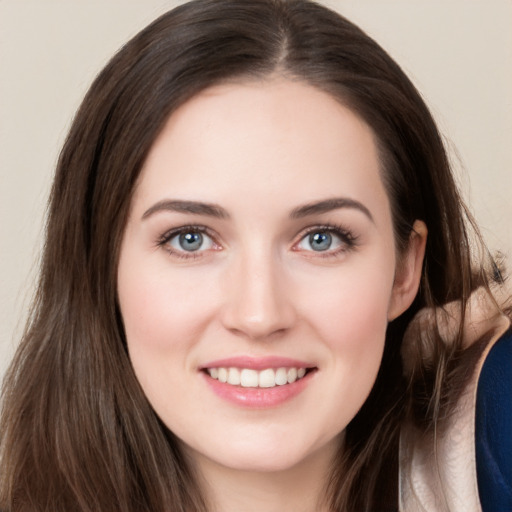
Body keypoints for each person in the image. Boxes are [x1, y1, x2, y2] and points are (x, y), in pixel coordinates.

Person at [0, 0, 510, 511]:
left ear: (404, 269)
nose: (259, 315)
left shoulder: (491, 435)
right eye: (190, 238)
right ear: (102, 264)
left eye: (321, 239)